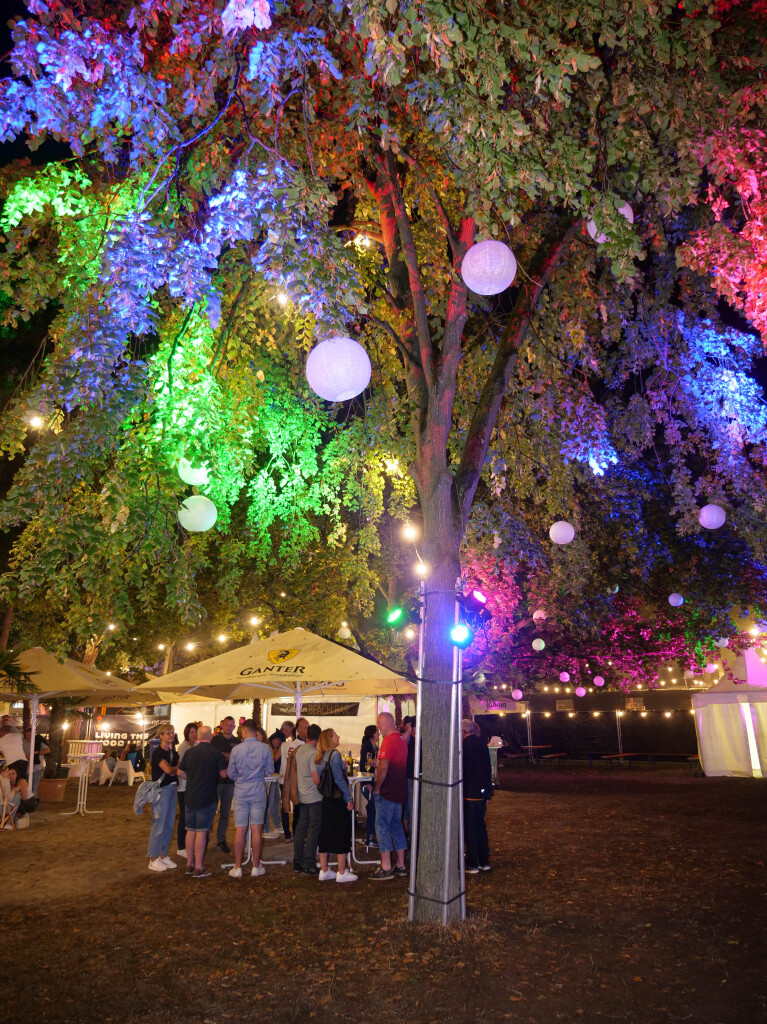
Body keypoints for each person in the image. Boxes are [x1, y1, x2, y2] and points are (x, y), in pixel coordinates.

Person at [227, 719, 274, 879]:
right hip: (258, 792)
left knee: (240, 829)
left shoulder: (236, 749)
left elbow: (231, 774)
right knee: (256, 829)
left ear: (245, 731)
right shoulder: (265, 748)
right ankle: (256, 866)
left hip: (240, 792)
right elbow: (270, 771)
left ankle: (238, 867)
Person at [178, 726, 227, 879]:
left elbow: (180, 772)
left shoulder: (190, 752)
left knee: (190, 830)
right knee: (202, 831)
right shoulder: (215, 753)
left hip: (190, 795)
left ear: (198, 736)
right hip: (207, 796)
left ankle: (189, 864)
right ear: (211, 736)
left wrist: (191, 779)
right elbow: (223, 774)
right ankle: (199, 866)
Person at [312, 729, 357, 883]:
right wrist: (348, 798)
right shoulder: (335, 755)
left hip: (326, 799)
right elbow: (339, 779)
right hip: (338, 799)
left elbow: (317, 780)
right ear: (329, 739)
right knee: (341, 833)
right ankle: (342, 872)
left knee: (325, 833)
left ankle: (324, 870)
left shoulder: (320, 756)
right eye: (336, 734)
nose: (339, 736)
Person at [371, 712, 408, 880]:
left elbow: (384, 766)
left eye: (379, 723)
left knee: (382, 828)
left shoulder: (388, 740)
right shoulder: (401, 740)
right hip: (399, 790)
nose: (378, 727)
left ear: (387, 722)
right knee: (397, 827)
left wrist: (377, 787)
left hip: (387, 791)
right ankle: (401, 865)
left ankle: (386, 867)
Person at [147, 723, 180, 873]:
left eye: (172, 733)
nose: (171, 735)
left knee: (168, 825)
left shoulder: (174, 753)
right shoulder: (158, 753)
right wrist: (174, 769)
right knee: (159, 825)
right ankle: (153, 859)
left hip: (173, 789)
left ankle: (163, 855)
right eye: (167, 733)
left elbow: (175, 769)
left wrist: (173, 770)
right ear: (161, 736)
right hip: (161, 791)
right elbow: (168, 769)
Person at [461, 718, 493, 873]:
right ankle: (484, 860)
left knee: (470, 827)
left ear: (463, 731)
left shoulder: (464, 747)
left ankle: (473, 862)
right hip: (481, 793)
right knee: (480, 826)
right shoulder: (482, 745)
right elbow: (488, 770)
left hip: (468, 792)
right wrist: (487, 792)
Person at [292, 723, 322, 874]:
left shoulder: (300, 750)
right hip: (314, 796)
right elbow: (316, 778)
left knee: (301, 828)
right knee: (314, 828)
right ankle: (309, 862)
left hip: (301, 793)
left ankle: (297, 861)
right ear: (318, 738)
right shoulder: (313, 753)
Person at [210, 715, 241, 853]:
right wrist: (227, 755)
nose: (229, 727)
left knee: (225, 812)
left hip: (230, 782)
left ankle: (221, 839)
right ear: (222, 725)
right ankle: (204, 838)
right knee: (210, 811)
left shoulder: (238, 741)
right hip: (214, 781)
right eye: (227, 725)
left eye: (231, 725)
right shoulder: (215, 740)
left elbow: (238, 759)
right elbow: (214, 756)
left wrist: (224, 754)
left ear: (234, 727)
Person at [281, 717, 308, 841]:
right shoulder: (300, 745)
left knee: (294, 808)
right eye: (305, 727)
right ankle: (296, 834)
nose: (308, 729)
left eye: (308, 726)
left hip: (290, 780)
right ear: (297, 730)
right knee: (297, 808)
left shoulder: (288, 745)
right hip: (296, 781)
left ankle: (291, 833)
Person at [176, 722, 198, 858]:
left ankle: (188, 844)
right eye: (191, 732)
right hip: (184, 787)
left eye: (195, 732)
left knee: (191, 817)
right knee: (184, 816)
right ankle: (181, 846)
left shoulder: (196, 746)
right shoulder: (183, 747)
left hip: (193, 786)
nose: (194, 734)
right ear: (186, 734)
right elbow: (180, 768)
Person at [359, 724, 379, 848]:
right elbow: (364, 764)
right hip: (368, 782)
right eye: (377, 731)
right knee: (372, 808)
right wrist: (367, 783)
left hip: (372, 781)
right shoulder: (367, 746)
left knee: (372, 807)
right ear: (372, 733)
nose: (379, 733)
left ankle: (370, 836)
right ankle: (369, 838)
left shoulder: (374, 746)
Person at [0, 726, 30, 799]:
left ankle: (17, 798)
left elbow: (2, 753)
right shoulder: (18, 736)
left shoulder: (1, 741)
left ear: (2, 732)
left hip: (12, 762)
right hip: (23, 761)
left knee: (12, 780)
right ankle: (23, 797)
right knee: (22, 780)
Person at [263, 732, 283, 838]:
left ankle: (272, 826)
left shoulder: (267, 746)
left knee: (274, 802)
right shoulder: (265, 747)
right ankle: (265, 828)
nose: (278, 742)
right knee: (267, 804)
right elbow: (272, 760)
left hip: (271, 779)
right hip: (265, 779)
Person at [23, 727, 50, 796]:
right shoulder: (24, 742)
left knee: (34, 786)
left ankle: (33, 802)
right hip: (27, 766)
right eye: (27, 735)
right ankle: (28, 800)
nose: (28, 737)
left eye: (30, 735)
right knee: (28, 785)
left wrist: (37, 752)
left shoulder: (38, 741)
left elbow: (48, 750)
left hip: (37, 766)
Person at [401, 715, 417, 838]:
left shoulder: (421, 740)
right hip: (408, 779)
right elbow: (402, 743)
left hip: (417, 779)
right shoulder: (408, 740)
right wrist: (409, 730)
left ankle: (413, 844)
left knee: (412, 813)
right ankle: (410, 843)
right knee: (408, 812)